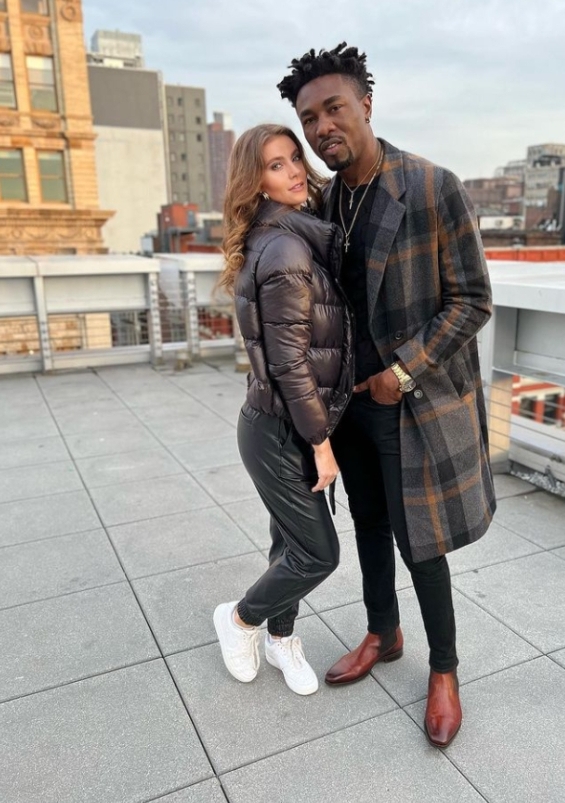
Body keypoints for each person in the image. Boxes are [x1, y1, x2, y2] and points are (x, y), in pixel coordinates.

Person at [277, 44, 496, 745]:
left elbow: (472, 300)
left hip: (410, 403)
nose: (322, 128)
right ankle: (383, 632)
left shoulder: (430, 186)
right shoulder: (325, 200)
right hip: (347, 406)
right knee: (367, 524)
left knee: (419, 541)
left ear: (366, 105)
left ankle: (444, 669)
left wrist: (401, 371)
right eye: (309, 118)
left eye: (333, 109)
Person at [213, 123, 353, 696]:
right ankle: (240, 618)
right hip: (280, 431)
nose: (295, 170)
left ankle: (281, 638)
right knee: (320, 554)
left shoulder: (281, 236)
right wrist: (321, 445)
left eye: (295, 157)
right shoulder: (287, 248)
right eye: (276, 165)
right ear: (257, 182)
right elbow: (291, 363)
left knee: (290, 541)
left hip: (284, 421)